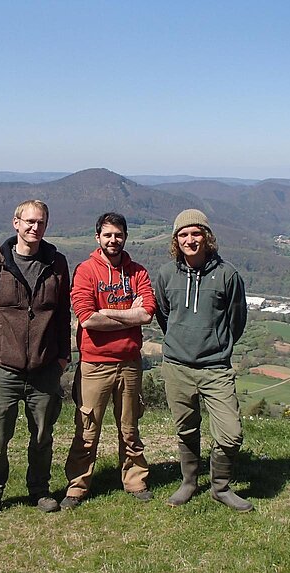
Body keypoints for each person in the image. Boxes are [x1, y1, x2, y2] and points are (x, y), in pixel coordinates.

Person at [0, 199, 71, 515]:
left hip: (45, 368)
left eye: (40, 222)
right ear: (16, 223)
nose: (34, 227)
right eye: (29, 221)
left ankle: (39, 490)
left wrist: (63, 357)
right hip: (3, 367)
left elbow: (62, 314)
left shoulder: (56, 263)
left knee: (42, 437)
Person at [153, 209, 252, 512]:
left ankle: (220, 487)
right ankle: (189, 482)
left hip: (215, 367)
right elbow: (164, 315)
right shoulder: (166, 275)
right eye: (183, 234)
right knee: (186, 429)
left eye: (195, 233)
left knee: (231, 434)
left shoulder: (227, 275)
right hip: (177, 366)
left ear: (207, 237)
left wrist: (217, 345)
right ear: (176, 240)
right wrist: (180, 341)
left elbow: (237, 320)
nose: (190, 240)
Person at [60, 212, 156, 509]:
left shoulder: (137, 272)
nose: (113, 240)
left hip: (129, 362)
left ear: (125, 237)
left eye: (118, 235)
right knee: (87, 428)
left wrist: (108, 312)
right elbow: (87, 319)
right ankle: (77, 486)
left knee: (130, 427)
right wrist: (129, 315)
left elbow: (147, 314)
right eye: (108, 235)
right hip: (95, 363)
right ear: (98, 237)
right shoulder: (86, 271)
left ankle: (135, 480)